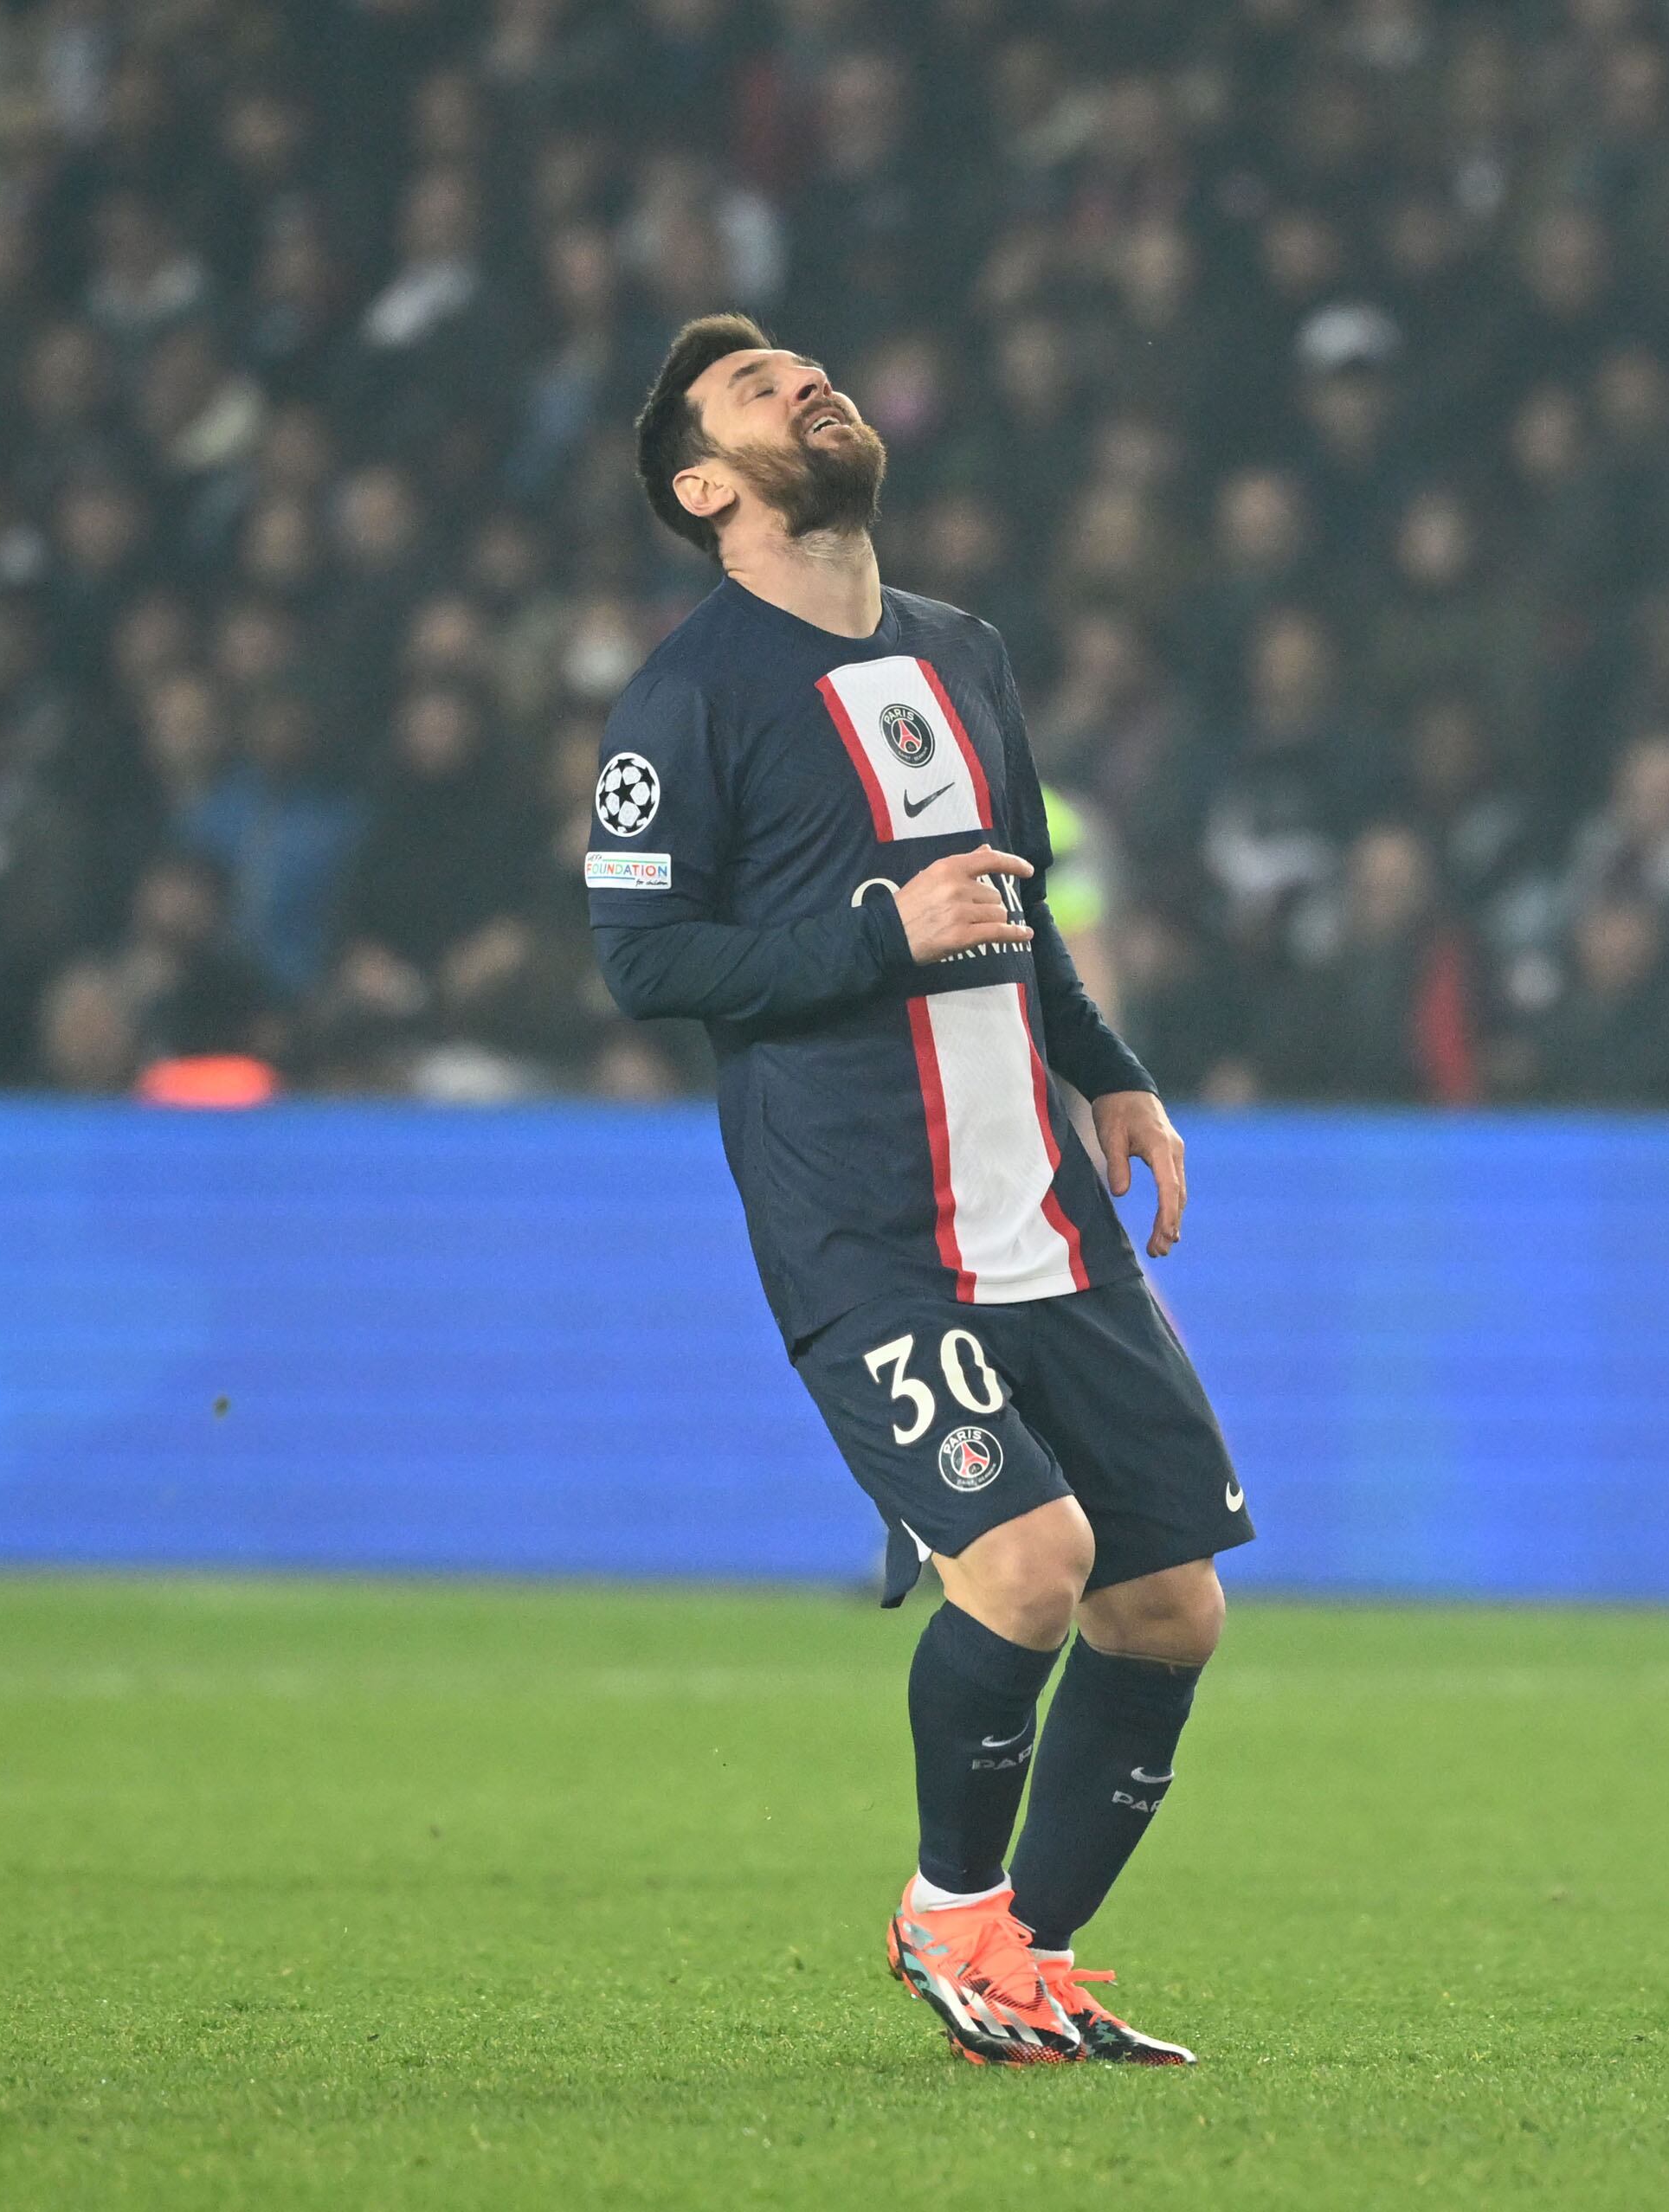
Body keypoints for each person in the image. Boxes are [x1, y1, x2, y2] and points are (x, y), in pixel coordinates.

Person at [590, 316, 1247, 2065]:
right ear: (703, 484)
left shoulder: (962, 648)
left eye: (805, 365)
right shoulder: (688, 697)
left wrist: (1105, 1064)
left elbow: (1010, 898)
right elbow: (644, 961)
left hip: (1041, 1197)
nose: (804, 383)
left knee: (1170, 1603)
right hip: (864, 1223)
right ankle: (946, 1913)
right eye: (752, 390)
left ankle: (1023, 1953)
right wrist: (882, 927)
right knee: (1029, 1564)